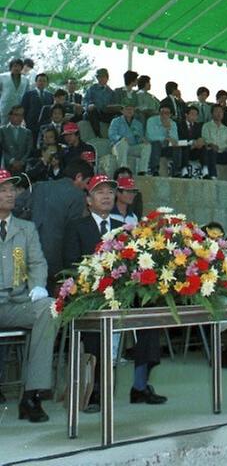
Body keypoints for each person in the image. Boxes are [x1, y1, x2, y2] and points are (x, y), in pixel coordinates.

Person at [64, 175, 166, 409]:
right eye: (100, 192)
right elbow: (70, 264)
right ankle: (96, 389)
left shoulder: (124, 229)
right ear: (88, 200)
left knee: (151, 309)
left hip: (124, 292)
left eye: (110, 191)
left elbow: (136, 262)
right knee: (93, 309)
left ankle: (140, 385)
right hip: (92, 293)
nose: (107, 196)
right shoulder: (76, 227)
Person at [0, 169, 56, 422]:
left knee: (49, 308)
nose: (10, 193)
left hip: (17, 303)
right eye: (3, 189)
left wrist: (38, 286)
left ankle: (32, 395)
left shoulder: (26, 228)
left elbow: (37, 262)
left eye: (12, 189)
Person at [15, 158, 91, 291]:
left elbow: (14, 209)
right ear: (79, 177)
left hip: (25, 256)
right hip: (55, 264)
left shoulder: (39, 186)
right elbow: (72, 234)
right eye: (87, 182)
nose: (87, 188)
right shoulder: (78, 196)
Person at [108, 102, 151, 175]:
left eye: (131, 109)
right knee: (123, 143)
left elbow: (138, 139)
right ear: (122, 111)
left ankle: (142, 171)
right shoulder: (116, 121)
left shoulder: (138, 124)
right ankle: (123, 169)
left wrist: (142, 140)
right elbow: (111, 135)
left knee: (147, 146)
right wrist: (121, 138)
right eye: (127, 109)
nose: (129, 111)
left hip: (131, 147)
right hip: (118, 147)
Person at [146, 106, 182, 177]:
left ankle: (176, 171)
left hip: (166, 147)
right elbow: (151, 136)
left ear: (170, 114)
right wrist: (164, 138)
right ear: (159, 113)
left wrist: (168, 129)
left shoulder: (173, 123)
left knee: (177, 147)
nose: (164, 115)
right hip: (153, 146)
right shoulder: (151, 120)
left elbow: (175, 139)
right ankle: (154, 169)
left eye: (167, 113)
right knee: (156, 143)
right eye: (162, 113)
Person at [202, 104, 227, 179]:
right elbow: (205, 139)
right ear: (212, 113)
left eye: (221, 112)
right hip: (212, 152)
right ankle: (213, 175)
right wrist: (212, 145)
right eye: (216, 111)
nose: (219, 114)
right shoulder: (206, 126)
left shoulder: (226, 129)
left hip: (223, 153)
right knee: (211, 151)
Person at [177, 105, 209, 178]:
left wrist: (200, 141)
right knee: (185, 147)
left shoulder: (198, 126)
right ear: (186, 115)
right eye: (192, 114)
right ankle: (184, 171)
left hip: (194, 150)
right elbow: (179, 139)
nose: (194, 116)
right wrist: (191, 142)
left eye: (196, 115)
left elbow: (199, 138)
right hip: (183, 149)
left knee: (203, 147)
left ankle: (205, 171)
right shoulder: (179, 125)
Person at [83, 68, 117, 136]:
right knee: (93, 111)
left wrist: (113, 108)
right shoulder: (92, 88)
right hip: (93, 112)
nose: (101, 78)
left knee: (117, 115)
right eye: (99, 77)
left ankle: (115, 135)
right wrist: (88, 105)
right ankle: (98, 134)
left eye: (103, 76)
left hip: (105, 113)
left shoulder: (111, 92)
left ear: (107, 78)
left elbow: (113, 104)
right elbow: (85, 100)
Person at [0, 105, 33, 173]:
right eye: (16, 115)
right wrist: (11, 161)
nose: (19, 118)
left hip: (23, 167)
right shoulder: (2, 130)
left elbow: (29, 150)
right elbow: (1, 149)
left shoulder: (27, 132)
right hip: (6, 166)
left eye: (21, 115)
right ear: (10, 116)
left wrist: (21, 162)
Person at [21, 74, 53, 143]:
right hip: (31, 125)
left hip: (46, 126)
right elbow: (23, 109)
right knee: (31, 144)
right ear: (36, 82)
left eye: (44, 81)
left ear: (47, 83)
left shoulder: (50, 95)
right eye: (40, 81)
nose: (42, 83)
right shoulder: (28, 94)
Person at [0, 59, 29, 125]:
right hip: (5, 107)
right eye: (15, 66)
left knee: (16, 128)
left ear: (22, 68)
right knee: (3, 128)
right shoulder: (2, 77)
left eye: (19, 66)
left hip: (18, 108)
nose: (17, 68)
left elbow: (26, 94)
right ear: (11, 67)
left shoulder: (25, 80)